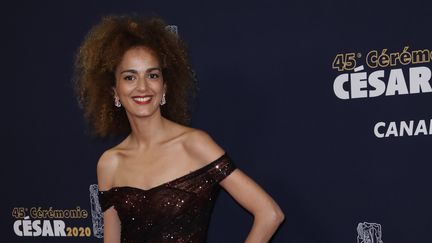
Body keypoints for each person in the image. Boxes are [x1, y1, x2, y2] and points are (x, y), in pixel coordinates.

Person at [74, 15, 284, 243]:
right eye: (130, 77)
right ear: (115, 92)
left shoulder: (194, 144)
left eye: (152, 75)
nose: (142, 86)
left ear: (164, 87)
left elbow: (270, 214)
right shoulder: (109, 163)